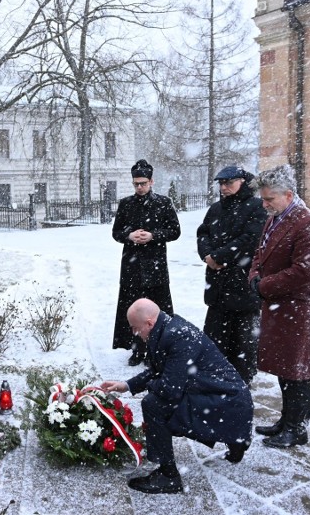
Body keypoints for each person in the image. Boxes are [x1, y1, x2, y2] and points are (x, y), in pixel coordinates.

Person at [101, 299, 253, 494]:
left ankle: (169, 476)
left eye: (135, 328)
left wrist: (150, 385)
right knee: (158, 399)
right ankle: (235, 439)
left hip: (230, 401)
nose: (134, 334)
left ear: (148, 323)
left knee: (153, 404)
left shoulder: (178, 336)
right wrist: (127, 385)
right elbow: (158, 371)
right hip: (216, 394)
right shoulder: (166, 329)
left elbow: (170, 389)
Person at [248, 164, 310, 448]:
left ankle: (297, 428)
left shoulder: (308, 225)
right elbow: (260, 252)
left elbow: (304, 272)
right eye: (263, 199)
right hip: (280, 307)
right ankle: (286, 420)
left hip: (300, 310)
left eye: (269, 199)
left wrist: (263, 286)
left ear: (289, 194)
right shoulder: (276, 217)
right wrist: (255, 276)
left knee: (298, 372)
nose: (264, 204)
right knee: (285, 370)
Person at [196, 166, 267, 384]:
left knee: (243, 341)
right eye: (221, 184)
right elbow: (203, 232)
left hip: (242, 284)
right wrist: (207, 254)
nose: (224, 188)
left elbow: (250, 239)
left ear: (243, 183)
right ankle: (215, 376)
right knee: (215, 337)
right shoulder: (216, 208)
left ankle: (242, 380)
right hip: (217, 285)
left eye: (229, 183)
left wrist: (219, 256)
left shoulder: (256, 207)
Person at [112, 159, 181, 366]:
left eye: (143, 183)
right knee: (132, 309)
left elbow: (175, 231)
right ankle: (136, 349)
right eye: (136, 184)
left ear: (151, 181)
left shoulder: (163, 203)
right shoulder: (126, 204)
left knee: (157, 310)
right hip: (132, 267)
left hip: (155, 265)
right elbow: (116, 232)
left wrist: (153, 235)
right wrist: (129, 235)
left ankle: (157, 350)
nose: (139, 187)